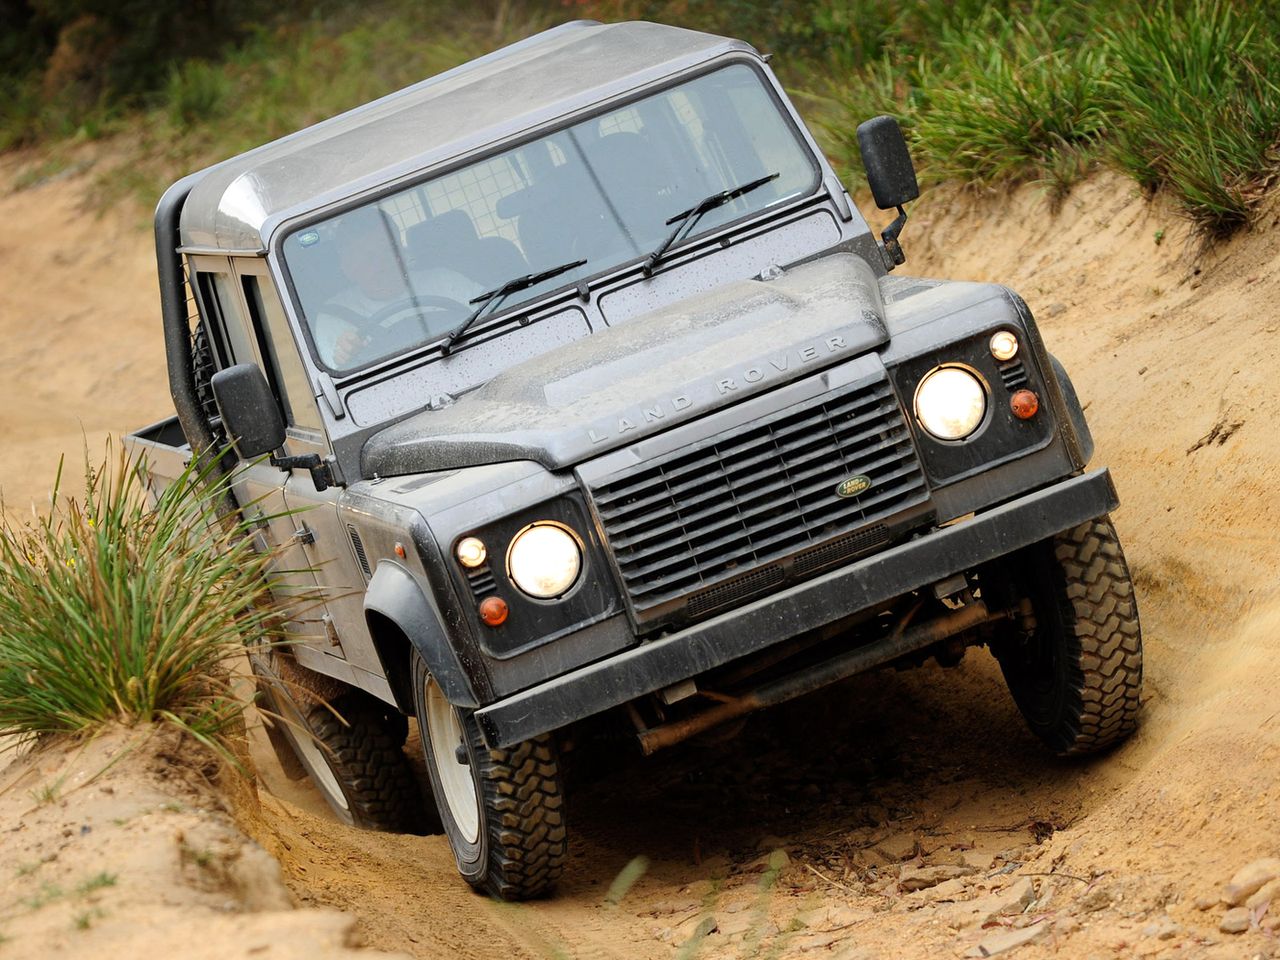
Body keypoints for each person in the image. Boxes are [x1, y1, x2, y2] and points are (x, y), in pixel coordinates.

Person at [308, 207, 480, 369]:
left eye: (388, 250)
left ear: (401, 251)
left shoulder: (445, 282)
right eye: (368, 258)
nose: (382, 265)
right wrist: (344, 356)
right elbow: (334, 374)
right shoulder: (334, 317)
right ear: (347, 268)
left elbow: (491, 309)